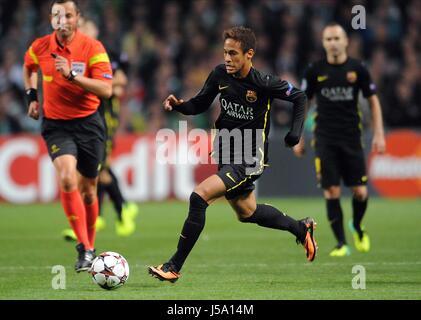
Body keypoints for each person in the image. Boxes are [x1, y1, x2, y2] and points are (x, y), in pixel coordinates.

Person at [148, 26, 317, 283]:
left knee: (199, 196)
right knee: (246, 212)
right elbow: (201, 103)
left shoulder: (263, 83)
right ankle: (300, 227)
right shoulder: (219, 74)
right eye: (225, 52)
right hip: (226, 151)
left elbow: (300, 97)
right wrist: (180, 105)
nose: (227, 58)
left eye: (233, 53)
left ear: (249, 54)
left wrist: (295, 133)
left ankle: (174, 265)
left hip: (249, 157)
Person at [23, 0, 113, 272]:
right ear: (51, 19)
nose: (63, 20)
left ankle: (91, 245)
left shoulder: (92, 48)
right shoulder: (39, 46)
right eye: (57, 15)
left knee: (88, 190)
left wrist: (73, 76)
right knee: (65, 176)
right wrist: (32, 96)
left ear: (77, 18)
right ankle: (84, 248)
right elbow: (29, 67)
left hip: (89, 124)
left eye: (68, 15)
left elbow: (106, 90)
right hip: (56, 125)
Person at [295, 23, 386, 257]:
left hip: (351, 138)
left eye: (337, 38)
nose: (333, 43)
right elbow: (303, 102)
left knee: (360, 192)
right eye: (328, 39)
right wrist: (298, 137)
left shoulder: (358, 69)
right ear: (323, 43)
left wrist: (379, 134)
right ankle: (341, 244)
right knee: (332, 191)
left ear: (346, 41)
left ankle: (356, 225)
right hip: (324, 138)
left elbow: (373, 101)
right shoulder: (314, 71)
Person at [62, 18, 138, 242]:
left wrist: (93, 83)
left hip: (102, 118)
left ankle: (121, 210)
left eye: (86, 26)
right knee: (95, 169)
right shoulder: (74, 54)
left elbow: (120, 82)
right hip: (83, 118)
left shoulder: (105, 53)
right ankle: (107, 214)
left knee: (97, 170)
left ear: (94, 29)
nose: (82, 30)